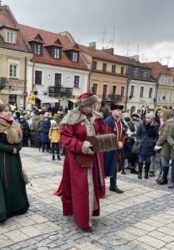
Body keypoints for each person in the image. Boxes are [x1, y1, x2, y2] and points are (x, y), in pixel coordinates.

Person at [56, 92, 106, 232]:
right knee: (81, 189)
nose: (91, 108)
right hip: (77, 160)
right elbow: (65, 139)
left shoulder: (96, 117)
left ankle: (89, 212)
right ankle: (82, 220)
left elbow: (102, 131)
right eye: (88, 105)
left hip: (93, 157)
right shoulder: (71, 118)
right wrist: (81, 146)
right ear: (82, 105)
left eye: (93, 104)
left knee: (91, 186)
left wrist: (104, 141)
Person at [0, 103, 29, 223]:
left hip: (14, 157)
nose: (8, 112)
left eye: (10, 110)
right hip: (0, 158)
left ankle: (18, 206)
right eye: (5, 111)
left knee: (15, 180)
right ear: (0, 112)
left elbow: (20, 139)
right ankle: (3, 210)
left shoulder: (15, 124)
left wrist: (18, 147)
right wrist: (11, 149)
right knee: (2, 181)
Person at [104, 103, 127, 193]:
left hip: (117, 149)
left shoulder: (120, 121)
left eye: (120, 110)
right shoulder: (108, 121)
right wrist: (116, 142)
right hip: (109, 149)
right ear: (113, 111)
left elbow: (124, 133)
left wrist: (121, 141)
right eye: (118, 110)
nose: (120, 112)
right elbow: (106, 135)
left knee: (115, 167)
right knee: (105, 167)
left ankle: (113, 185)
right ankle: (100, 187)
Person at [136, 113, 159, 179]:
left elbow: (156, 136)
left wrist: (153, 141)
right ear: (145, 118)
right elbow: (138, 134)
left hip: (150, 146)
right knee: (140, 159)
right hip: (142, 145)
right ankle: (139, 173)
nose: (148, 119)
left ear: (152, 119)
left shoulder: (154, 126)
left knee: (148, 160)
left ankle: (146, 173)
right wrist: (139, 140)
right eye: (147, 118)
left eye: (149, 118)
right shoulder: (141, 125)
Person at [154, 109, 174, 185]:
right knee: (163, 161)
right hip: (165, 144)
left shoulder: (169, 123)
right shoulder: (169, 122)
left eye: (163, 113)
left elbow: (164, 136)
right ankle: (163, 177)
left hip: (165, 145)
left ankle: (164, 178)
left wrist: (158, 144)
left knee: (164, 161)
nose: (162, 115)